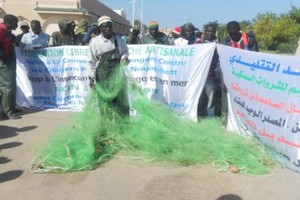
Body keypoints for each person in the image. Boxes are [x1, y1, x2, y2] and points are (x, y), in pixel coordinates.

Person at [88, 15, 129, 115]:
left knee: (121, 101)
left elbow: (125, 52)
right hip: (103, 75)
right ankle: (107, 126)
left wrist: (124, 58)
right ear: (100, 28)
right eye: (105, 26)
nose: (108, 29)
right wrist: (91, 78)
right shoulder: (94, 42)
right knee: (105, 102)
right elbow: (91, 61)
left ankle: (123, 126)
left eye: (110, 26)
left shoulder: (119, 40)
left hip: (117, 75)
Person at [220, 21, 259, 123]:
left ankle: (246, 122)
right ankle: (224, 121)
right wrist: (222, 79)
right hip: (230, 76)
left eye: (235, 31)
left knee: (246, 102)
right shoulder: (224, 43)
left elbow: (256, 59)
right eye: (231, 32)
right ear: (228, 32)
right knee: (226, 101)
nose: (233, 34)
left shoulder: (249, 40)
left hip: (246, 77)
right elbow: (220, 64)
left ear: (239, 29)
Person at [197, 22, 222, 117]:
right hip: (199, 76)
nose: (210, 33)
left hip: (211, 76)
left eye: (213, 31)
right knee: (199, 97)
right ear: (205, 32)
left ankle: (209, 118)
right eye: (208, 31)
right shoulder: (199, 43)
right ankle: (199, 115)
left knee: (210, 99)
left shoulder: (219, 45)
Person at [0, 14, 21, 119]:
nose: (17, 25)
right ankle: (9, 112)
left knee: (9, 86)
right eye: (16, 23)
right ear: (10, 22)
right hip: (5, 62)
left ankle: (10, 107)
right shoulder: (1, 31)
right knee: (8, 87)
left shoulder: (7, 32)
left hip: (8, 62)